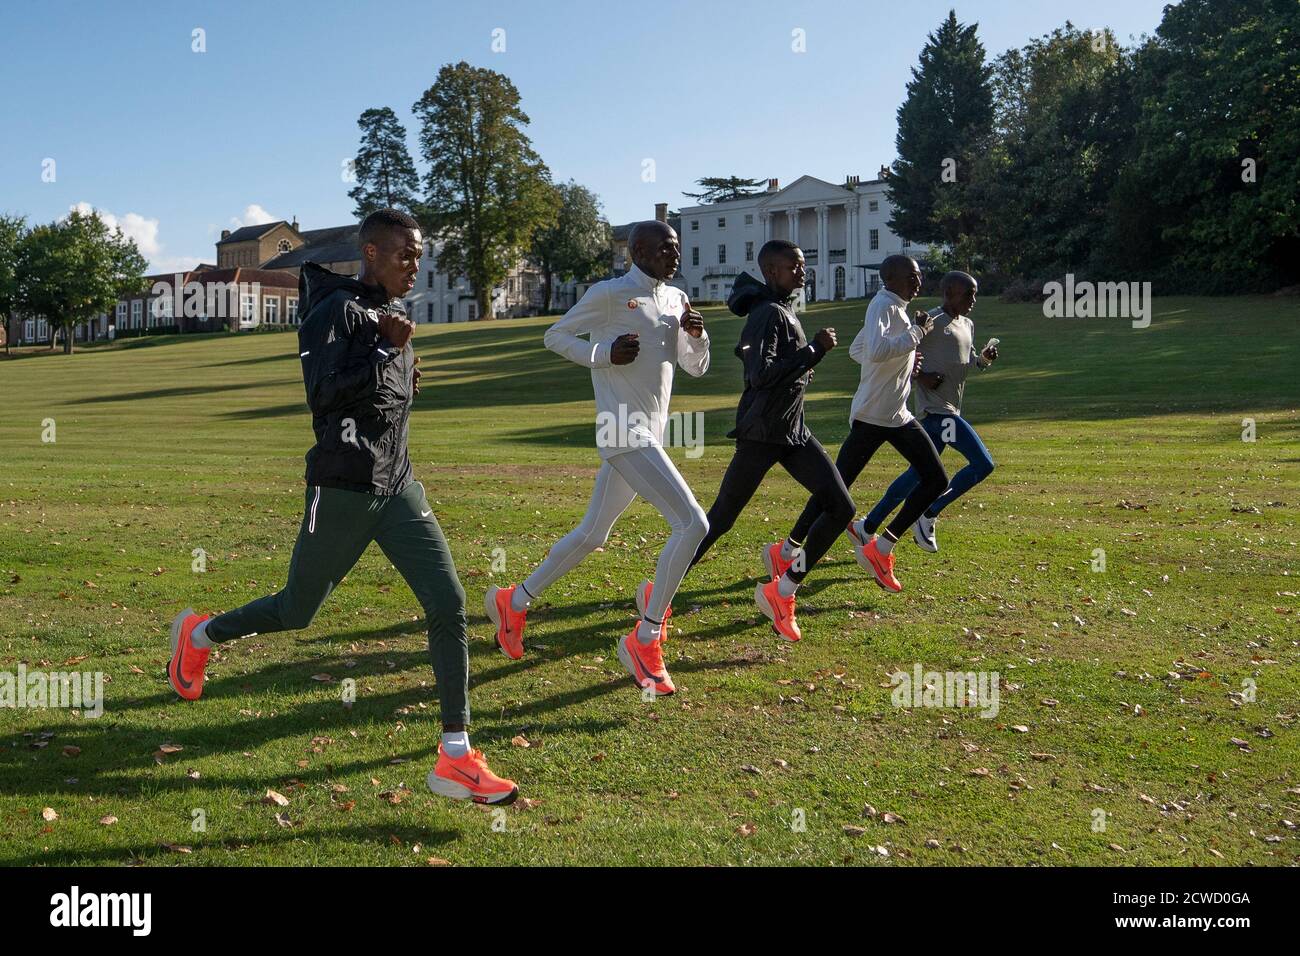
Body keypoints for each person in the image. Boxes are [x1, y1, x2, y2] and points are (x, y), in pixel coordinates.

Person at [166, 208, 518, 806]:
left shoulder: (389, 314)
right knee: (297, 610)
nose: (416, 264)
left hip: (399, 487)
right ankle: (200, 635)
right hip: (343, 488)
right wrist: (385, 355)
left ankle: (455, 755)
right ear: (373, 253)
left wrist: (403, 375)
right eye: (406, 253)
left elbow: (376, 392)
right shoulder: (334, 310)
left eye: (419, 254)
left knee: (450, 603)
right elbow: (323, 395)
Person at [485, 220, 710, 696]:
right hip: (621, 430)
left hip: (651, 433)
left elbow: (694, 367)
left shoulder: (675, 297)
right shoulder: (609, 294)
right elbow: (556, 335)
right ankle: (645, 638)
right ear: (638, 251)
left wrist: (696, 336)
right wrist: (603, 352)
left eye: (677, 249)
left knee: (592, 534)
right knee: (693, 524)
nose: (674, 256)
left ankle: (514, 601)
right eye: (665, 249)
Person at [685, 240, 853, 641]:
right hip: (762, 434)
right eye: (794, 266)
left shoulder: (782, 310)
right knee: (721, 518)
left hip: (792, 433)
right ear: (772, 271)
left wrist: (802, 364)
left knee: (841, 507)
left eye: (803, 265)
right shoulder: (767, 312)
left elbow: (766, 364)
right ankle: (660, 587)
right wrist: (812, 351)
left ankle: (783, 590)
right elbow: (760, 374)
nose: (803, 271)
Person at [782, 255, 947, 593]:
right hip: (874, 416)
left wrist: (903, 362)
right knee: (836, 490)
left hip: (895, 415)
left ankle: (879, 548)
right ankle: (787, 551)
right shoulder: (883, 305)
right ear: (890, 277)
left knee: (936, 478)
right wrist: (916, 334)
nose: (918, 282)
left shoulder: (894, 308)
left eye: (919, 276)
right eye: (911, 276)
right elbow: (875, 349)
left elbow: (859, 350)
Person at [859, 270, 998, 552]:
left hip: (951, 410)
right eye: (968, 293)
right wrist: (920, 378)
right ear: (948, 293)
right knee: (983, 464)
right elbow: (897, 358)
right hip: (934, 412)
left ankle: (867, 525)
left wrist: (982, 359)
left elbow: (964, 363)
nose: (973, 299)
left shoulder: (967, 325)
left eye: (975, 293)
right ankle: (929, 511)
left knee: (916, 476)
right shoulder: (928, 322)